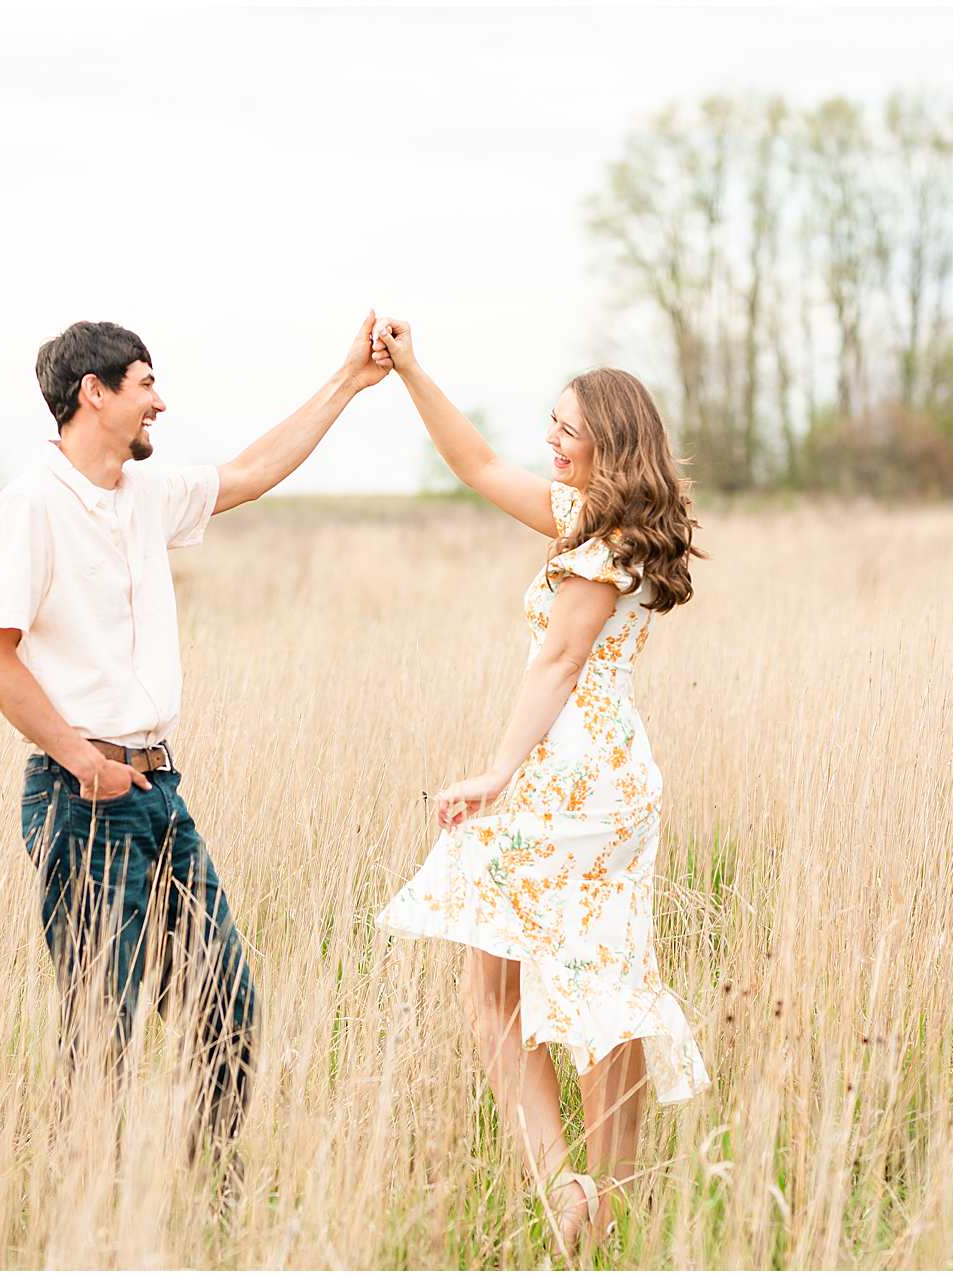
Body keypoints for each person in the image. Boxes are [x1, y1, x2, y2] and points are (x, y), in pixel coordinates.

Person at [0, 312, 389, 1188]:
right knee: (101, 1029)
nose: (162, 400)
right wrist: (84, 763)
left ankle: (211, 1198)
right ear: (95, 392)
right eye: (147, 382)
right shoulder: (30, 507)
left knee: (228, 1006)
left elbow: (254, 470)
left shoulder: (145, 497)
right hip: (80, 796)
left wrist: (348, 380)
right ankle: (84, 1215)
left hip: (160, 793)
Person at [369, 317, 712, 1257]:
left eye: (566, 429)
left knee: (504, 991)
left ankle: (575, 1190)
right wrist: (411, 370)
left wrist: (495, 773)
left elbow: (558, 661)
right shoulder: (604, 525)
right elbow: (477, 463)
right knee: (599, 985)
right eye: (550, 425)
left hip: (569, 780)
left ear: (610, 438)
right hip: (602, 777)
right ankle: (596, 1200)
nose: (549, 442)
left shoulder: (605, 549)